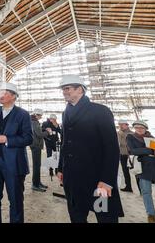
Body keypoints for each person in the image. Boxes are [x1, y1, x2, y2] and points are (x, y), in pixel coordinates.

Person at [57, 74, 124, 223]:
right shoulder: (65, 113)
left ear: (80, 89)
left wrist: (107, 180)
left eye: (67, 88)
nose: (64, 92)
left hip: (97, 179)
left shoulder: (100, 111)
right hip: (73, 178)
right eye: (63, 89)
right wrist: (61, 168)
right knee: (77, 216)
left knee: (105, 217)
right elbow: (65, 143)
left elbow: (112, 149)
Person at [0, 82, 33, 223]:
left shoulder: (23, 114)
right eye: (1, 93)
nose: (1, 96)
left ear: (13, 97)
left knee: (15, 200)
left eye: (5, 93)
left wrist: (7, 139)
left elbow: (28, 138)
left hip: (14, 164)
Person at [126, 120, 155, 223]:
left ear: (145, 129)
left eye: (141, 127)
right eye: (137, 127)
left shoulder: (154, 139)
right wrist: (151, 150)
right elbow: (133, 151)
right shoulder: (131, 137)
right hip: (144, 168)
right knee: (146, 192)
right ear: (134, 128)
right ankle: (151, 215)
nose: (139, 129)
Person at [30, 108, 51, 192]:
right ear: (36, 115)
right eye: (40, 116)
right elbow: (39, 134)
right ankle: (35, 184)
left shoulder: (33, 121)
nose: (41, 117)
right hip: (36, 146)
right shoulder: (34, 122)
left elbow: (37, 132)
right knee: (36, 166)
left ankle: (37, 182)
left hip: (35, 145)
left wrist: (44, 130)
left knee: (37, 165)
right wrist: (48, 132)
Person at [42, 114, 62, 178]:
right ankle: (51, 170)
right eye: (54, 120)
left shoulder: (55, 123)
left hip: (55, 142)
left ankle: (56, 169)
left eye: (55, 120)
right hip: (48, 143)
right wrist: (46, 139)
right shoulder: (45, 123)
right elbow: (42, 132)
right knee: (49, 156)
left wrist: (57, 126)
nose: (54, 121)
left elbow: (60, 132)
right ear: (50, 119)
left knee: (56, 156)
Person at [117, 119, 133, 192]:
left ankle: (141, 189)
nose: (120, 126)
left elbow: (126, 143)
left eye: (122, 124)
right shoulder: (118, 133)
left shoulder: (131, 133)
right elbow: (118, 143)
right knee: (125, 171)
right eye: (119, 125)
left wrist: (121, 135)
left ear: (127, 125)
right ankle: (128, 186)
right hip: (122, 154)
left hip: (131, 155)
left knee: (136, 171)